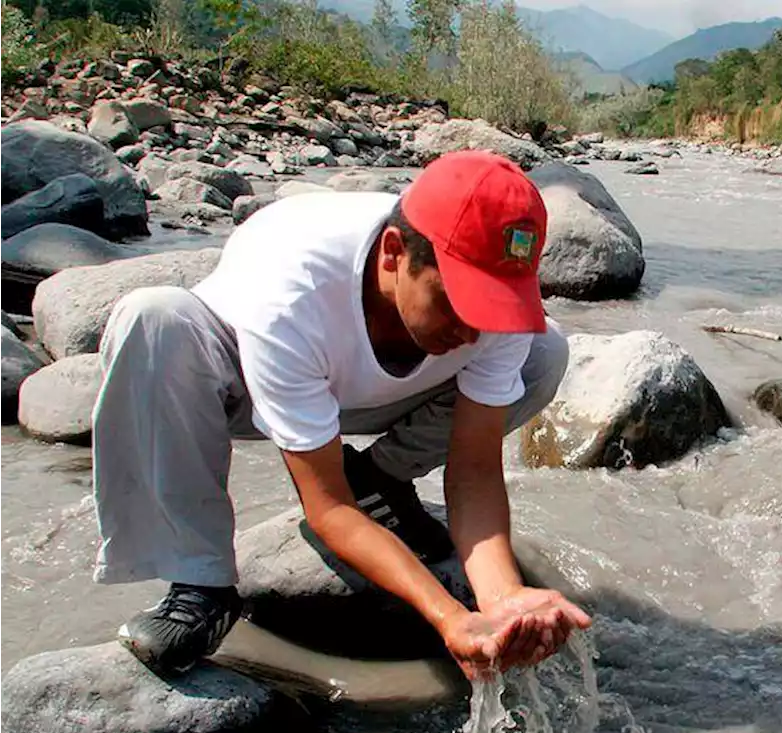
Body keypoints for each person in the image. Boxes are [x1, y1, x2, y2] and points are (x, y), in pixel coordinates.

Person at [90, 149, 592, 680]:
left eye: (491, 309)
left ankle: (378, 478)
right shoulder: (292, 287)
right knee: (154, 319)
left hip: (378, 392)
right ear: (395, 254)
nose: (472, 333)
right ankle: (200, 580)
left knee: (543, 353)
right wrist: (448, 617)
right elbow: (328, 509)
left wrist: (503, 596)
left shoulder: (492, 299)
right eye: (457, 304)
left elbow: (474, 470)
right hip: (239, 384)